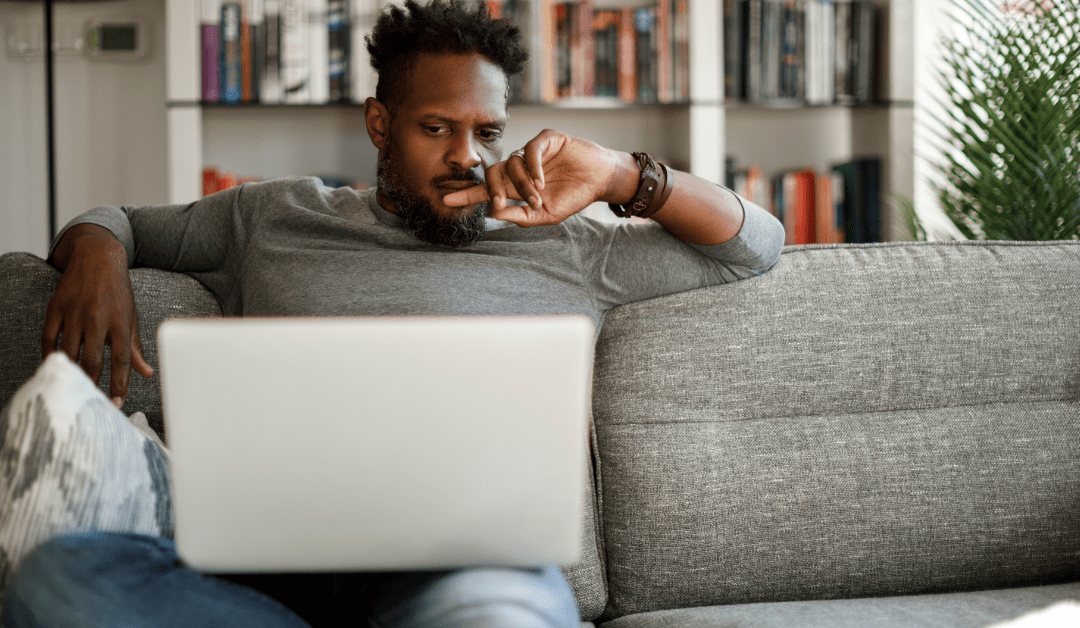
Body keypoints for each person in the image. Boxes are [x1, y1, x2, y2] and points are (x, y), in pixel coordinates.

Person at [1, 1, 785, 626]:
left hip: (467, 565)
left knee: (497, 614)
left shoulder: (568, 244)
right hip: (259, 568)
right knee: (60, 580)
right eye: (436, 128)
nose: (465, 157)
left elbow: (755, 244)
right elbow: (118, 219)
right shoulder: (272, 217)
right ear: (381, 125)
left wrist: (620, 174)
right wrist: (99, 252)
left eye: (486, 134)